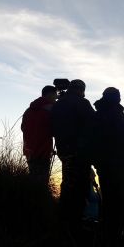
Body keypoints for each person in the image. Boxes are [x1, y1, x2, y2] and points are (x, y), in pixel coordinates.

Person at [92, 87, 124, 242]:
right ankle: (120, 232)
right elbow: (123, 132)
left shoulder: (97, 114)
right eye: (118, 96)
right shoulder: (116, 112)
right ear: (115, 98)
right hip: (116, 162)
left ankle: (106, 229)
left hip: (101, 163)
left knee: (107, 195)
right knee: (122, 195)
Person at [51, 79, 95, 226]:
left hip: (63, 151)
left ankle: (63, 218)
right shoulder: (82, 103)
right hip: (79, 152)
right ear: (81, 90)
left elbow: (51, 127)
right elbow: (93, 123)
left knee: (68, 182)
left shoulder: (58, 104)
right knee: (79, 186)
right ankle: (75, 221)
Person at [21, 85, 57, 186]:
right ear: (50, 94)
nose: (56, 98)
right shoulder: (50, 109)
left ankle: (32, 200)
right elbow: (54, 129)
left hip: (29, 150)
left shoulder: (29, 110)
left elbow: (23, 127)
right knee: (42, 183)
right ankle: (39, 200)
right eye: (55, 95)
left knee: (33, 180)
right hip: (43, 151)